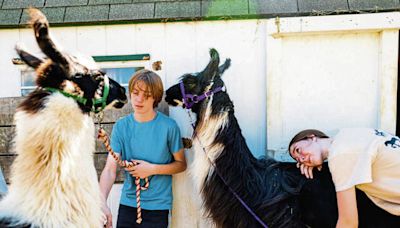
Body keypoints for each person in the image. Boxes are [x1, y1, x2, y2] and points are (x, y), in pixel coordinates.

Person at [99, 69, 187, 228]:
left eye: (146, 95)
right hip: (128, 205)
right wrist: (102, 202)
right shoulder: (121, 126)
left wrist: (151, 169)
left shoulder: (169, 127)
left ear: (155, 98)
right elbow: (110, 169)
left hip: (158, 208)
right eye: (135, 93)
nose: (139, 99)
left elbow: (181, 164)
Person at [288, 128, 400, 227]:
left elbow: (348, 223)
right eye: (298, 160)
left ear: (311, 137)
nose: (301, 159)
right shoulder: (349, 133)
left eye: (298, 150)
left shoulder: (340, 155)